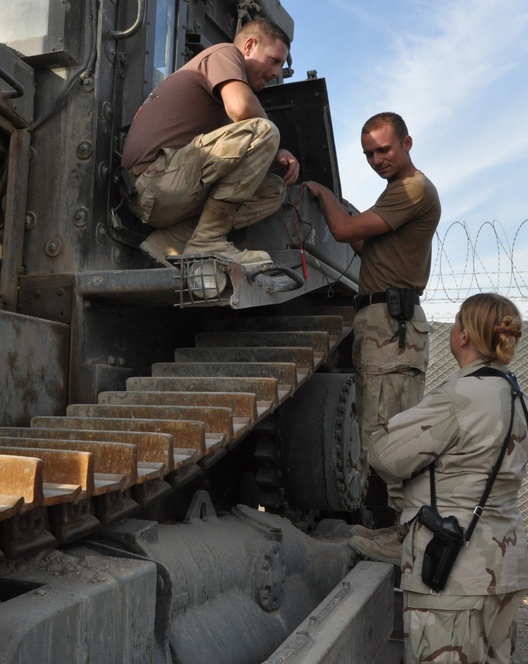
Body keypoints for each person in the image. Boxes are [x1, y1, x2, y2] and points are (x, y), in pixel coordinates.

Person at [302, 112, 440, 561]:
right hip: (381, 320)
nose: (377, 159)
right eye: (369, 154)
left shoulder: (411, 189)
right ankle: (397, 533)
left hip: (391, 324)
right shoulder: (393, 193)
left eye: (385, 149)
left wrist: (321, 194)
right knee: (378, 434)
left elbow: (343, 232)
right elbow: (364, 245)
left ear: (407, 143)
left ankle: (406, 539)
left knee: (391, 436)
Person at [368, 292, 528, 663]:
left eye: (457, 322)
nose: (453, 329)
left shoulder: (459, 397)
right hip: (504, 564)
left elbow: (386, 457)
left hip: (455, 570)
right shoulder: (516, 395)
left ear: (464, 336)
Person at [120, 18, 300, 266]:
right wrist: (274, 145)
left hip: (164, 190)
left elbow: (238, 169)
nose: (277, 73)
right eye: (275, 60)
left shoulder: (220, 105)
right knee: (263, 130)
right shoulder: (225, 52)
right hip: (151, 182)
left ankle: (169, 243)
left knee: (271, 190)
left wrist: (270, 157)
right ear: (248, 46)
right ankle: (209, 241)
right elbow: (243, 108)